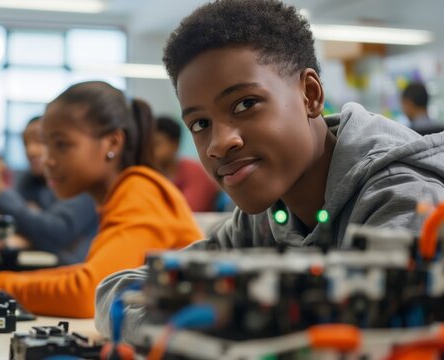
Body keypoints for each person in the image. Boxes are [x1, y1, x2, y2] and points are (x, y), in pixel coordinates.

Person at [94, 0, 444, 343]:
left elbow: (371, 342)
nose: (219, 143)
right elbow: (117, 290)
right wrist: (193, 335)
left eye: (245, 104)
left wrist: (202, 332)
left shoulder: (404, 199)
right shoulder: (265, 217)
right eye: (200, 123)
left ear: (310, 95)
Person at [0, 81, 202, 318]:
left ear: (113, 142)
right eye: (47, 145)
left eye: (62, 144)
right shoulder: (124, 192)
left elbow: (90, 293)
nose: (48, 159)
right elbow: (85, 275)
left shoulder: (141, 190)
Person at [0, 116, 98, 265]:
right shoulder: (28, 180)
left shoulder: (81, 183)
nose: (31, 151)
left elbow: (54, 234)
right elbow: (20, 227)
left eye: (40, 141)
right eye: (26, 144)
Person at [152, 115, 219, 212]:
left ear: (175, 144)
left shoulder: (194, 172)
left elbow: (188, 210)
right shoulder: (153, 173)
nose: (150, 151)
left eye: (156, 144)